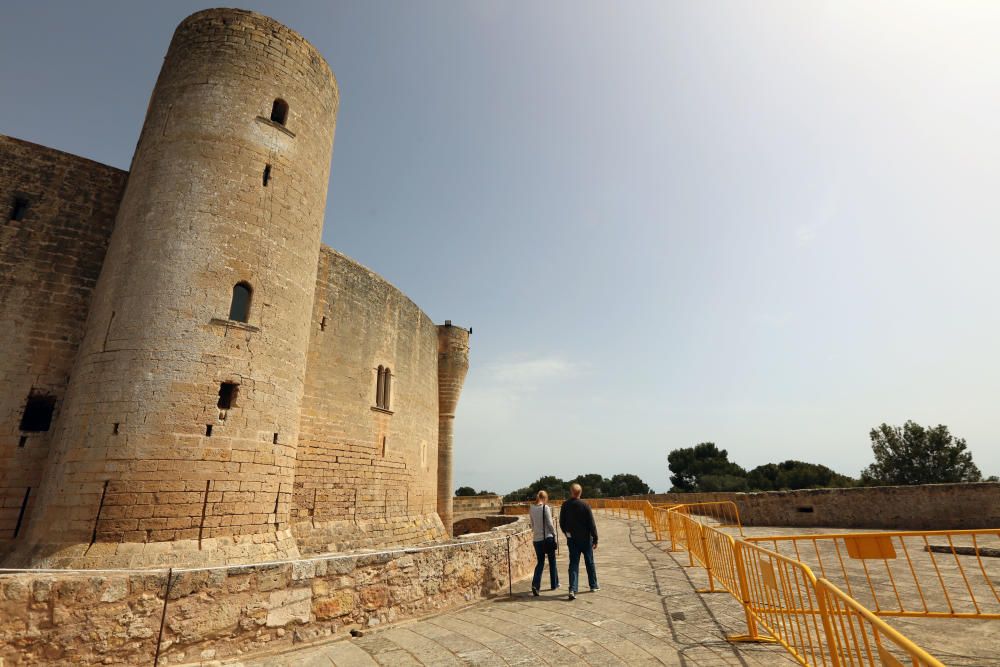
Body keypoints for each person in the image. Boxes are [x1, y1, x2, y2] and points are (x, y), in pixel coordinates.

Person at [558, 483, 599, 600]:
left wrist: (567, 534)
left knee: (573, 564)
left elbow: (562, 523)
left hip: (572, 540)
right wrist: (595, 538)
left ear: (571, 492)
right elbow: (592, 524)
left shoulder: (565, 505)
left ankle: (572, 589)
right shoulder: (585, 505)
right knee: (589, 562)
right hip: (586, 539)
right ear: (580, 493)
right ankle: (593, 585)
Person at [528, 490, 559, 595]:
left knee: (540, 562)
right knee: (552, 561)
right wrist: (554, 534)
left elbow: (532, 524)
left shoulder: (531, 508)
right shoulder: (545, 508)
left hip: (536, 539)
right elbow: (550, 524)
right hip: (547, 538)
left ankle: (535, 585)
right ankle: (554, 584)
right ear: (545, 498)